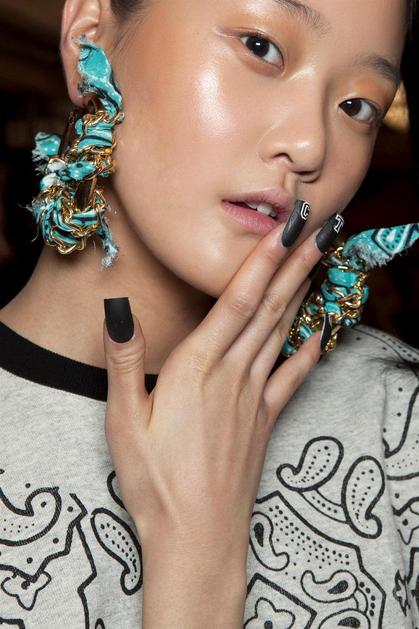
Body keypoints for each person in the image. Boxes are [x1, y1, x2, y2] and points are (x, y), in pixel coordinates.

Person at [0, 0, 417, 626]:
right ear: (90, 36)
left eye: (358, 106)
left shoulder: (398, 423)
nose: (310, 146)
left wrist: (199, 557)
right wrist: (194, 560)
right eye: (260, 47)